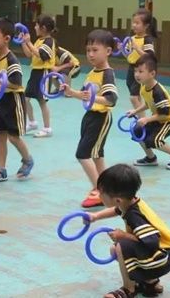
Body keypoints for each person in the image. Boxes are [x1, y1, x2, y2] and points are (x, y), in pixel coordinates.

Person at [85, 164, 170, 298]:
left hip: (162, 258)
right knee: (118, 249)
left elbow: (152, 242)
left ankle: (128, 289)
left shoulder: (134, 215)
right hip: (165, 253)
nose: (99, 196)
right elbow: (116, 210)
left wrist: (124, 236)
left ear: (117, 200)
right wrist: (95, 216)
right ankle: (150, 283)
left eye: (101, 193)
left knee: (120, 247)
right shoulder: (130, 202)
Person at [63, 29, 118, 208]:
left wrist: (93, 98)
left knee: (82, 154)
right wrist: (71, 92)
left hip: (101, 118)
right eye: (88, 50)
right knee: (97, 155)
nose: (90, 54)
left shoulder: (107, 73)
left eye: (95, 50)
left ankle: (99, 190)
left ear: (108, 51)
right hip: (90, 116)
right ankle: (108, 189)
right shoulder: (93, 72)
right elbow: (85, 95)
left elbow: (111, 99)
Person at [0, 18, 34, 184]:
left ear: (6, 39)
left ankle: (27, 159)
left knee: (13, 137)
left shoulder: (11, 59)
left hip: (13, 101)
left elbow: (17, 82)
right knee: (0, 135)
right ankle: (1, 169)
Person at [127, 54, 170, 171]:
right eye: (135, 71)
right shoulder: (144, 87)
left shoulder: (158, 92)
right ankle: (151, 158)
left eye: (141, 71)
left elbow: (165, 113)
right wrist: (135, 111)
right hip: (159, 118)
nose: (136, 74)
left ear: (152, 74)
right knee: (137, 131)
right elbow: (149, 104)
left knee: (154, 140)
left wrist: (147, 119)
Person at [20, 14, 57, 138]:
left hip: (44, 73)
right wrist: (24, 43)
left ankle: (47, 128)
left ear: (44, 28)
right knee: (25, 99)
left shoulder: (49, 41)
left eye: (37, 25)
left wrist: (29, 42)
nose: (35, 27)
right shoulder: (39, 41)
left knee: (42, 101)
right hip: (35, 73)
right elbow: (29, 55)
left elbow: (41, 55)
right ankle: (32, 123)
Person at [124, 8, 157, 117]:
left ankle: (142, 119)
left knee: (133, 97)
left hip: (142, 70)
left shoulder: (147, 39)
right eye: (133, 22)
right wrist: (122, 50)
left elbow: (149, 57)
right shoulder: (132, 38)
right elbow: (129, 56)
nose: (134, 25)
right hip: (131, 68)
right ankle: (140, 116)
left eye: (137, 23)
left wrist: (137, 48)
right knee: (136, 95)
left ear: (146, 26)